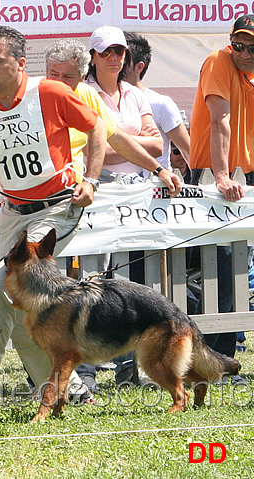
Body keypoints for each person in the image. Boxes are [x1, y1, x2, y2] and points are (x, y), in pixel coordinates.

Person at [0, 26, 107, 415]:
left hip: (57, 208)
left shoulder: (50, 92)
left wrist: (91, 180)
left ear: (21, 63)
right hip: (13, 214)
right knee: (19, 303)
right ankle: (68, 388)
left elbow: (96, 127)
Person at [43, 38, 182, 394]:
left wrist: (159, 170)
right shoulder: (33, 97)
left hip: (83, 202)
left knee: (94, 289)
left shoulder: (87, 98)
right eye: (54, 74)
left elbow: (117, 139)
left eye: (68, 76)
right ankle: (64, 379)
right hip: (41, 206)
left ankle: (82, 375)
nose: (60, 82)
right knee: (53, 298)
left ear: (81, 74)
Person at [188, 14, 254, 381]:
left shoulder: (249, 75)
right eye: (238, 44)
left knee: (236, 272)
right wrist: (221, 175)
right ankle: (217, 361)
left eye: (251, 46)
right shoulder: (217, 60)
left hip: (244, 181)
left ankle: (221, 359)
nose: (243, 52)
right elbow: (219, 121)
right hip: (218, 179)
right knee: (222, 272)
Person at [84, 26, 162, 181]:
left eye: (119, 51)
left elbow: (157, 147)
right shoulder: (83, 93)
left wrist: (111, 141)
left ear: (125, 55)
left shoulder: (136, 94)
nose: (113, 57)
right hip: (99, 186)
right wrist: (137, 139)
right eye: (105, 51)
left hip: (137, 184)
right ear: (92, 57)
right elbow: (95, 152)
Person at [124, 32, 191, 170]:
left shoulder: (160, 103)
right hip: (116, 188)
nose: (115, 62)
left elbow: (188, 150)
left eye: (123, 59)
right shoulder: (102, 100)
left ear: (139, 67)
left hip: (156, 188)